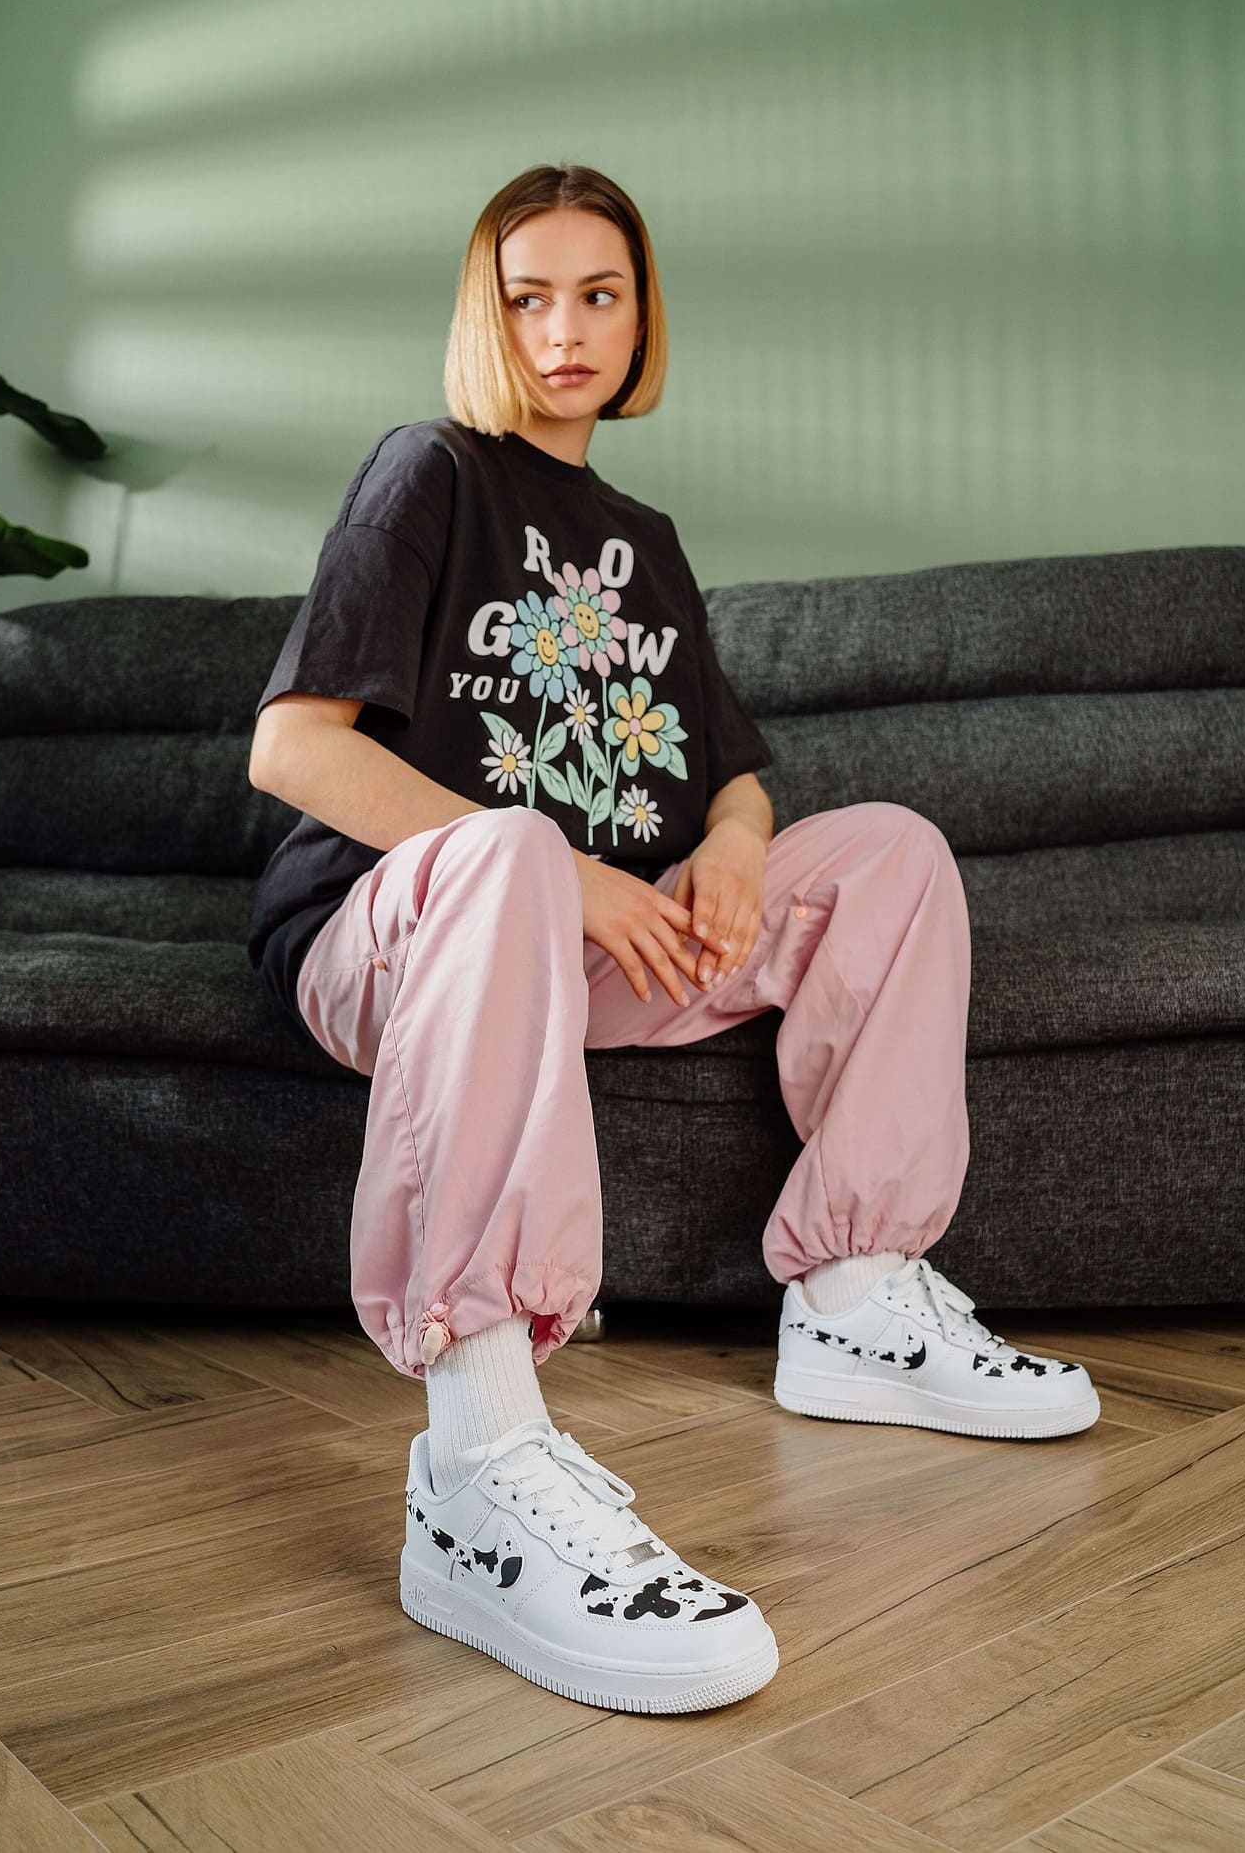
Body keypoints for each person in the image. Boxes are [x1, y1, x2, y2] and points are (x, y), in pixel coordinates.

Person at [247, 162, 1100, 1715]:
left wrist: (733, 841)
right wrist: (564, 870)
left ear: (641, 321)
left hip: (582, 956)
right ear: (481, 314)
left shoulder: (643, 536)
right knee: (507, 849)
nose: (564, 328)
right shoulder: (425, 472)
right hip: (398, 938)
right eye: (527, 295)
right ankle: (480, 1460)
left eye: (600, 294)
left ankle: (854, 1293)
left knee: (892, 852)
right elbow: (294, 752)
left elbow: (738, 766)